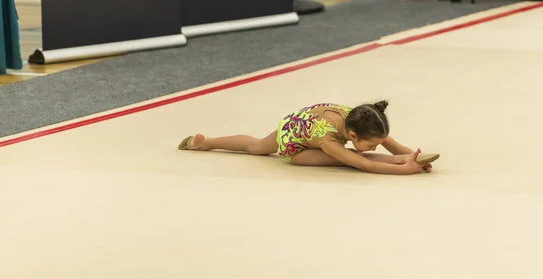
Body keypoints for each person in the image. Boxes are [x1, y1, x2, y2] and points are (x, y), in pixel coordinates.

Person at [178, 101, 439, 175]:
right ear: (351, 135)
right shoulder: (327, 138)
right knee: (256, 147)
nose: (376, 143)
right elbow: (364, 163)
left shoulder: (361, 118)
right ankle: (208, 142)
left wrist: (412, 155)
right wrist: (405, 169)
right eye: (371, 141)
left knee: (256, 144)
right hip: (297, 145)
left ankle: (207, 142)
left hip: (298, 120)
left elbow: (385, 142)